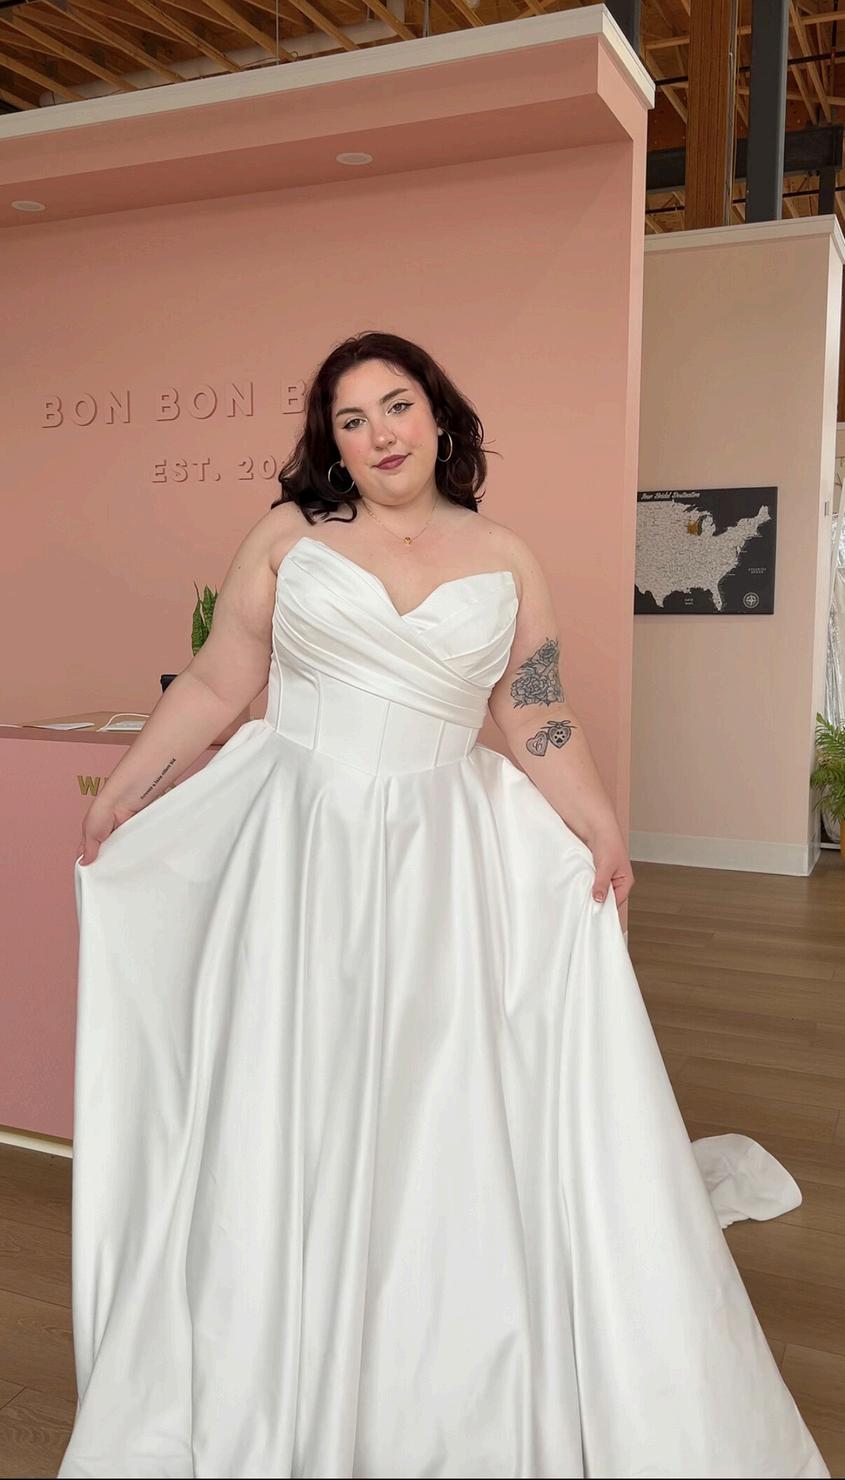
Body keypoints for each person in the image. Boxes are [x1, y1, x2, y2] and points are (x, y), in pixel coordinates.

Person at [58, 331, 829, 1479]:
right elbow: (223, 678)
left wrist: (598, 824)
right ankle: (275, 1318)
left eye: (395, 405)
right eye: (350, 419)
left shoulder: (503, 555)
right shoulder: (288, 535)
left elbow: (534, 709)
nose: (378, 434)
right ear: (331, 443)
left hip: (440, 849)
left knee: (432, 1085)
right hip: (299, 841)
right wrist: (128, 786)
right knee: (296, 1075)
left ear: (436, 414)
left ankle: (424, 1332)